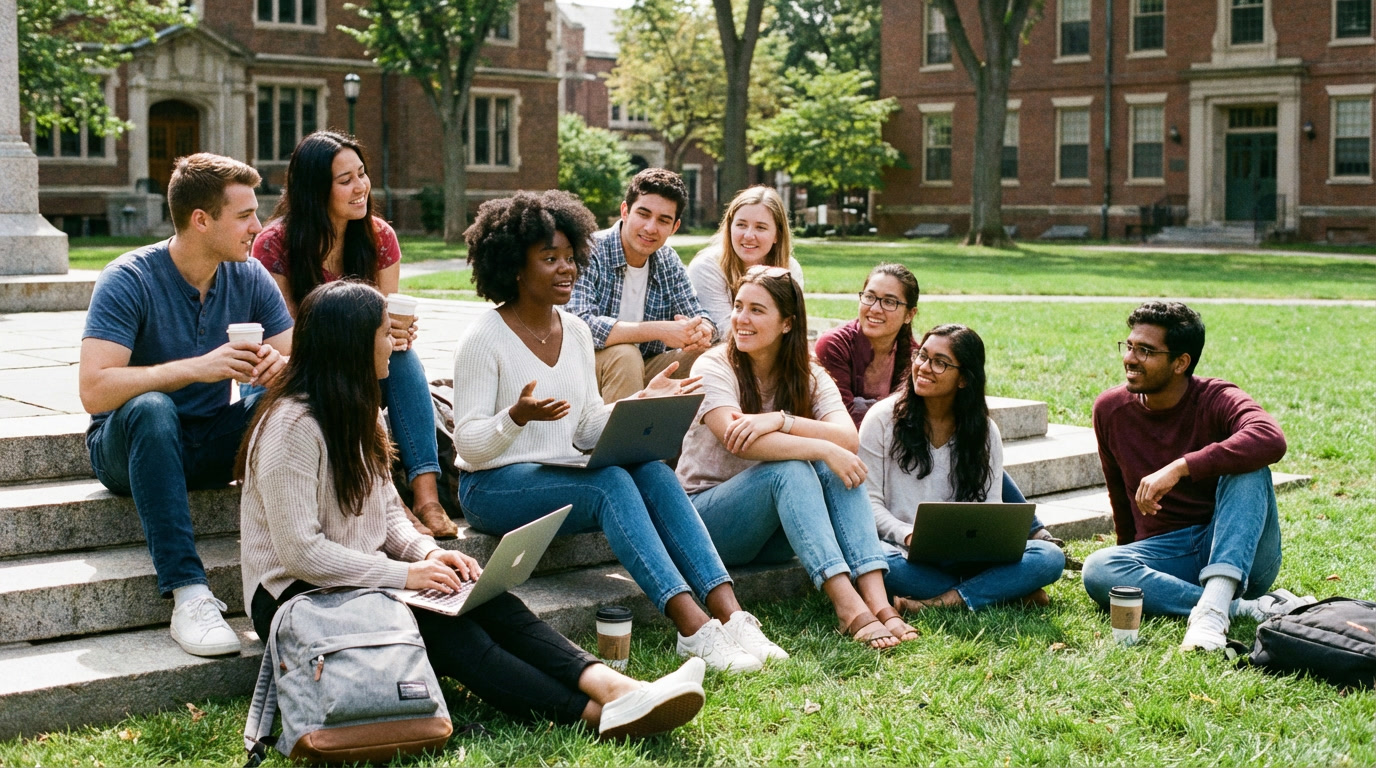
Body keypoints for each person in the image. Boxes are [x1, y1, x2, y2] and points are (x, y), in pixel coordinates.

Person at [237, 280, 705, 740]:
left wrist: (425, 553)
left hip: (359, 578)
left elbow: (389, 514)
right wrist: (404, 577)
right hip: (295, 596)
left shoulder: (357, 411)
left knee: (488, 600)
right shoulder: (291, 427)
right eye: (384, 331)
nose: (394, 340)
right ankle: (593, 715)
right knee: (448, 630)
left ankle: (618, 687)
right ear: (351, 344)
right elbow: (302, 554)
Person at [453, 190, 786, 674]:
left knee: (649, 468)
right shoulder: (484, 338)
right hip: (490, 487)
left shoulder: (577, 332)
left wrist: (636, 403)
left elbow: (586, 425)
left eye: (570, 257)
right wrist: (516, 417)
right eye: (550, 259)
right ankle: (693, 629)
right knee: (610, 484)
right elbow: (469, 445)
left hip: (555, 473)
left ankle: (732, 616)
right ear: (514, 267)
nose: (567, 269)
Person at [79, 153, 293, 657]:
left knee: (288, 400)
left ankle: (310, 561)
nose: (257, 228)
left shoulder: (250, 276)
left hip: (211, 438)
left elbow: (297, 360)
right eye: (244, 216)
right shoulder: (129, 277)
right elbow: (94, 389)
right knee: (154, 408)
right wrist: (200, 367)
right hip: (129, 445)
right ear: (201, 220)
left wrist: (278, 369)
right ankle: (189, 593)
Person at [677, 265, 916, 649]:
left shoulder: (809, 374)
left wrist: (782, 420)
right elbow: (738, 439)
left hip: (774, 530)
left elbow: (848, 438)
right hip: (708, 522)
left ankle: (877, 600)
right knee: (796, 466)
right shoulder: (714, 365)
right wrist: (820, 447)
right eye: (738, 306)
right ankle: (848, 607)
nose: (741, 318)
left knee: (837, 466)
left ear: (787, 323)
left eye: (757, 310)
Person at [251, 130, 455, 539]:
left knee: (402, 356)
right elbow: (285, 337)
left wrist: (397, 331)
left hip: (361, 367)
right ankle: (393, 506)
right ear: (314, 189)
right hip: (294, 372)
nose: (361, 186)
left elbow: (383, 323)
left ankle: (427, 497)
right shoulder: (274, 245)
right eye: (345, 180)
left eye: (361, 174)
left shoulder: (378, 237)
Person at [1082, 301, 1313, 651]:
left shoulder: (1216, 397)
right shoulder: (1110, 409)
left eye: (1146, 351)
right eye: (1129, 346)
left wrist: (1181, 467)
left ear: (1180, 362)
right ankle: (1236, 607)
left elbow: (1270, 438)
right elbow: (1120, 495)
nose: (1130, 358)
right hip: (1170, 555)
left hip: (1240, 551)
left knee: (1249, 467)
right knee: (1099, 569)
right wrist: (1126, 559)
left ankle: (1214, 612)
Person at [815, 264, 1069, 559]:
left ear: (910, 314)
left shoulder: (912, 350)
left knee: (978, 449)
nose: (875, 308)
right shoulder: (836, 346)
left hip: (918, 439)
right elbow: (846, 422)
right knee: (880, 563)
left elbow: (928, 402)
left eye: (889, 301)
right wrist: (891, 415)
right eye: (869, 297)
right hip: (853, 454)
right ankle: (1027, 542)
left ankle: (1017, 549)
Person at [858, 324, 1066, 613]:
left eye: (940, 363)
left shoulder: (984, 431)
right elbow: (868, 503)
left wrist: (986, 544)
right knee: (875, 560)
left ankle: (942, 601)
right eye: (922, 356)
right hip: (902, 553)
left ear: (964, 380)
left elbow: (991, 507)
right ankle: (1002, 591)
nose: (924, 367)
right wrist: (907, 534)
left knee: (1049, 557)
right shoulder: (881, 420)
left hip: (967, 557)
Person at [568, 168, 716, 403]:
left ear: (674, 227)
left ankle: (693, 438)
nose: (650, 228)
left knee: (712, 356)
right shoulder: (590, 249)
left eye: (663, 220)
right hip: (585, 368)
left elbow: (697, 313)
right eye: (643, 214)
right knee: (626, 355)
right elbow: (580, 324)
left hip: (646, 367)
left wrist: (702, 330)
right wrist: (658, 330)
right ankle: (624, 440)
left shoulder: (667, 259)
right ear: (625, 211)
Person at [685, 186, 803, 335]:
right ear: (729, 227)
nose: (748, 235)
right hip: (717, 353)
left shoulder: (790, 269)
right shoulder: (706, 267)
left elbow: (793, 329)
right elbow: (727, 333)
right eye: (741, 225)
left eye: (760, 227)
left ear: (777, 235)